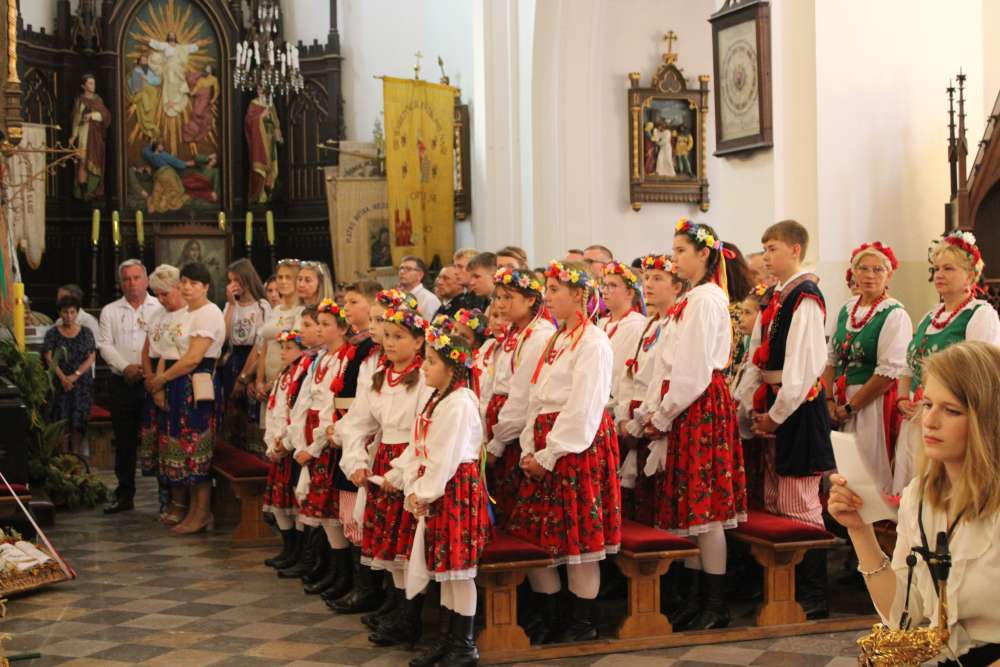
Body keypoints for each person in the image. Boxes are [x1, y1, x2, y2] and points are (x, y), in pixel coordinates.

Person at [829, 341, 1000, 667]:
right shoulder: (919, 497)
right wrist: (859, 530)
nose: (929, 421)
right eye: (928, 404)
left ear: (988, 421)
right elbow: (904, 615)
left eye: (951, 410)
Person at [634, 221, 748, 630]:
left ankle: (715, 605)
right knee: (691, 509)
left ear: (704, 254)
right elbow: (666, 363)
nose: (675, 258)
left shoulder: (706, 299)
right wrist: (653, 410)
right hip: (684, 405)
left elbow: (694, 370)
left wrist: (664, 414)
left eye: (681, 251)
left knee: (707, 511)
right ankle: (697, 598)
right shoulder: (690, 299)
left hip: (698, 406)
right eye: (674, 250)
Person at [505, 260, 621, 644]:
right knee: (539, 534)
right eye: (547, 289)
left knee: (579, 540)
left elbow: (584, 405)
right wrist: (528, 446)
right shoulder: (556, 339)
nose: (548, 297)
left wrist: (550, 454)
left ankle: (582, 621)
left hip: (575, 446)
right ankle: (551, 614)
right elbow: (536, 396)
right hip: (544, 441)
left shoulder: (594, 341)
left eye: (555, 290)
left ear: (579, 294)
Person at [746, 220, 836, 619]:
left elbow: (804, 365)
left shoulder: (806, 296)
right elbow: (758, 354)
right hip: (774, 403)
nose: (766, 256)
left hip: (797, 408)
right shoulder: (777, 295)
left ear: (795, 250)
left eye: (773, 249)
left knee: (800, 501)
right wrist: (753, 406)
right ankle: (782, 589)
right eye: (764, 249)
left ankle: (814, 593)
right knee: (775, 498)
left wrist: (777, 416)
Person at [397, 317, 492, 667]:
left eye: (431, 361)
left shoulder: (460, 403)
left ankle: (464, 645)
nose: (423, 366)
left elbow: (445, 457)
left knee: (460, 570)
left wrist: (423, 493)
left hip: (454, 490)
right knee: (446, 569)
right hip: (441, 490)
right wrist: (412, 487)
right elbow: (421, 448)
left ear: (452, 368)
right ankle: (447, 639)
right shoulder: (439, 398)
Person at [337, 306, 433, 645]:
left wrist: (400, 471)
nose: (389, 343)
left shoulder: (425, 378)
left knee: (407, 541)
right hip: (383, 463)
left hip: (413, 463)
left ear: (419, 341)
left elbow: (424, 432)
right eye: (387, 336)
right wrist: (356, 461)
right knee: (389, 541)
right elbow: (357, 423)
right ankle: (395, 606)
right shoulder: (380, 377)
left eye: (398, 337)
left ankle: (410, 616)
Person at [893, 230, 1000, 494]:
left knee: (939, 490)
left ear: (970, 275)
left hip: (950, 421)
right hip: (915, 417)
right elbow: (909, 365)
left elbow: (979, 374)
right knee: (910, 491)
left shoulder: (980, 314)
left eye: (949, 269)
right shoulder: (929, 316)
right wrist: (903, 399)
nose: (939, 275)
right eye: (937, 269)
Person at [821, 242, 912, 494]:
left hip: (872, 404)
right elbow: (830, 359)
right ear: (854, 272)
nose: (870, 275)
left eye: (878, 269)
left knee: (868, 470)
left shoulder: (894, 315)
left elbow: (887, 373)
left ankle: (873, 515)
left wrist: (851, 407)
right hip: (839, 401)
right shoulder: (846, 309)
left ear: (888, 275)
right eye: (863, 268)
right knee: (843, 469)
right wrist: (828, 400)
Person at [148, 262, 225, 535]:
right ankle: (189, 508)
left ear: (205, 287)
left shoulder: (209, 312)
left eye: (194, 283)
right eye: (184, 282)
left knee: (196, 449)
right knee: (179, 448)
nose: (187, 287)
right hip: (174, 383)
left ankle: (202, 513)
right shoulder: (184, 314)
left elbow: (193, 358)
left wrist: (162, 380)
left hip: (195, 385)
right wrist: (158, 386)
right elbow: (166, 351)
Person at [291, 300, 354, 598]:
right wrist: (298, 440)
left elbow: (331, 406)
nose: (319, 328)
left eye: (326, 324)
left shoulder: (344, 359)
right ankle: (329, 568)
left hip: (326, 439)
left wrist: (315, 447)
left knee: (331, 510)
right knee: (320, 510)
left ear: (342, 328)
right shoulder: (320, 358)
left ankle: (342, 574)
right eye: (318, 323)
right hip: (310, 433)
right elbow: (303, 401)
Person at [615, 254, 683, 526]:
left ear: (676, 287)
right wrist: (623, 415)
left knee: (657, 498)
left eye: (657, 278)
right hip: (635, 414)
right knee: (634, 502)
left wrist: (644, 419)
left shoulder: (677, 324)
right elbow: (628, 373)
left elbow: (666, 377)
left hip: (655, 417)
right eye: (645, 278)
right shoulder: (650, 323)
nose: (649, 284)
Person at [485, 266, 556, 524]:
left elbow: (522, 394)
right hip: (501, 420)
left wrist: (498, 441)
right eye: (497, 297)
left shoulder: (539, 335)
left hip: (516, 428)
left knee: (514, 501)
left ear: (530, 300)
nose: (500, 305)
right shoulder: (516, 332)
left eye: (508, 297)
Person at [98, 259, 163, 514]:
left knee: (158, 439)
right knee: (124, 440)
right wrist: (125, 367)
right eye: (126, 279)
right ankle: (124, 494)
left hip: (153, 381)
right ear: (120, 283)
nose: (132, 283)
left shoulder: (159, 307)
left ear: (146, 280)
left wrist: (148, 371)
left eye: (136, 278)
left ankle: (166, 496)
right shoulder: (110, 311)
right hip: (122, 382)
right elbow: (105, 344)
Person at [266, 306, 322, 574]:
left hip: (296, 443)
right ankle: (290, 549)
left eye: (289, 348)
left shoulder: (307, 366)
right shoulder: (286, 373)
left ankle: (303, 554)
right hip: (282, 442)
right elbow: (276, 409)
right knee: (281, 502)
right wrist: (272, 440)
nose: (283, 353)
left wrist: (287, 441)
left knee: (299, 501)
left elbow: (298, 410)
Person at [142, 265, 187, 522]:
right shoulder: (157, 314)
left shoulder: (188, 314)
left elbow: (176, 354)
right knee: (159, 446)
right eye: (156, 294)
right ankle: (164, 500)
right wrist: (149, 379)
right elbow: (147, 348)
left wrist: (159, 384)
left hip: (175, 380)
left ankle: (180, 503)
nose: (160, 299)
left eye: (165, 294)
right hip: (155, 380)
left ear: (178, 288)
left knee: (175, 445)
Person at [43, 294, 97, 457]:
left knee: (78, 420)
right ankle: (63, 459)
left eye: (72, 312)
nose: (69, 316)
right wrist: (63, 378)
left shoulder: (86, 332)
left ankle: (77, 457)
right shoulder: (52, 333)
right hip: (59, 382)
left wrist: (75, 376)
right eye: (65, 312)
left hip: (81, 383)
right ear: (59, 313)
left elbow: (91, 357)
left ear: (77, 313)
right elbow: (49, 357)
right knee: (61, 419)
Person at [598, 261, 645, 415]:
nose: (605, 291)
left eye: (612, 286)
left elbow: (627, 374)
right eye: (604, 285)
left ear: (630, 293)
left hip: (616, 408)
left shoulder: (636, 325)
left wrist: (622, 413)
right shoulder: (602, 323)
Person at [256, 259, 304, 404]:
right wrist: (259, 381)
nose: (283, 281)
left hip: (285, 380)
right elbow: (265, 347)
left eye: (288, 277)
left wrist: (275, 382)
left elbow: (294, 350)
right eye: (280, 277)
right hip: (267, 381)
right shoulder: (276, 309)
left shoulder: (300, 311)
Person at [69, 73, 111, 201]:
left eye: (94, 83)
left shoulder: (98, 100)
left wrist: (92, 115)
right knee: (82, 161)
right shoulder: (80, 101)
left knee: (95, 163)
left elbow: (106, 116)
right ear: (84, 86)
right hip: (83, 135)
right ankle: (82, 191)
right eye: (90, 83)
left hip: (96, 137)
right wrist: (73, 136)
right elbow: (76, 120)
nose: (93, 86)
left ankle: (92, 191)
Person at [246, 85, 283, 203]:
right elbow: (249, 122)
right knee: (260, 170)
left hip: (270, 140)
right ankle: (260, 196)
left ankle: (270, 193)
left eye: (262, 88)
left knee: (273, 168)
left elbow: (275, 122)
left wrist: (278, 135)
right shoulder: (253, 103)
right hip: (259, 142)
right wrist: (261, 117)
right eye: (258, 89)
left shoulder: (270, 104)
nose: (260, 91)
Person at [128, 53, 161, 141]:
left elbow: (158, 81)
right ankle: (150, 132)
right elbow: (133, 85)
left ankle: (151, 132)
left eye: (146, 61)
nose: (144, 62)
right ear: (139, 62)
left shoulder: (150, 71)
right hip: (143, 95)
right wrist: (137, 88)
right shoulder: (136, 71)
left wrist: (146, 78)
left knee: (150, 113)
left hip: (152, 96)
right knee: (143, 114)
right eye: (143, 61)